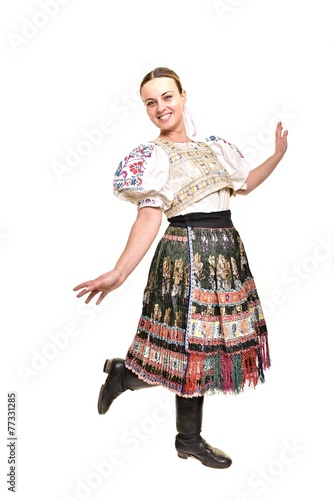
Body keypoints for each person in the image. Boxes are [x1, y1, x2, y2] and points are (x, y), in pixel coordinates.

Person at [74, 67, 288, 469]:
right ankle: (148, 400)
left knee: (206, 353)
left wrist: (276, 156)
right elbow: (149, 216)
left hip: (225, 253)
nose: (160, 108)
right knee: (187, 352)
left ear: (183, 96)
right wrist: (119, 272)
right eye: (150, 102)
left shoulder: (214, 148)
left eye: (167, 97)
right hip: (185, 253)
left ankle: (181, 433)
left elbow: (244, 185)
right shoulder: (153, 156)